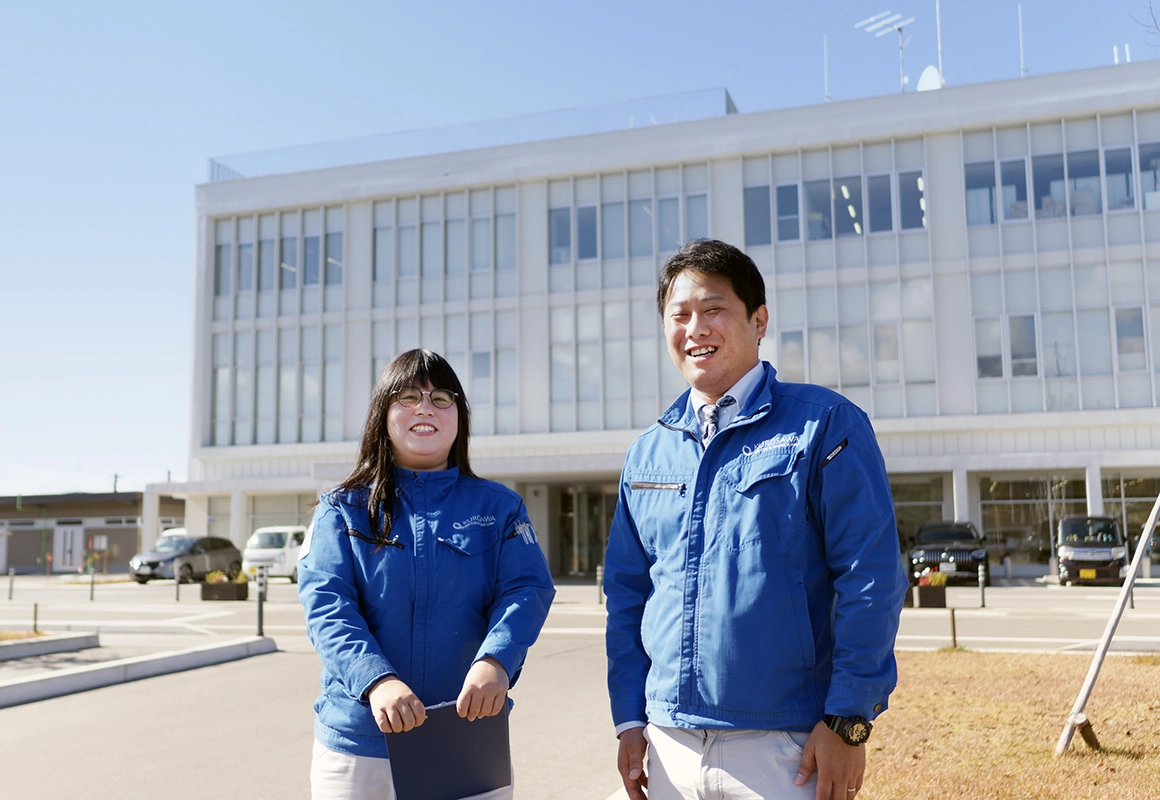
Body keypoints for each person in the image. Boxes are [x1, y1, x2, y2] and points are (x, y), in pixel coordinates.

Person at [604, 239, 907, 800]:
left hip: (787, 748)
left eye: (714, 309)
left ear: (759, 319)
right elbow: (626, 596)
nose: (696, 328)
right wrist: (629, 719)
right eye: (680, 315)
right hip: (668, 743)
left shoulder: (825, 425)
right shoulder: (648, 452)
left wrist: (848, 720)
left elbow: (871, 579)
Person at [298, 348, 555, 799]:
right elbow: (327, 604)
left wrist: (496, 661)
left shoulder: (499, 508)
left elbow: (527, 589)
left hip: (465, 737)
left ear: (459, 417)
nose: (425, 407)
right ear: (383, 413)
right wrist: (376, 680)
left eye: (441, 397)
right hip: (360, 745)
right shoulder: (341, 510)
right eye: (408, 396)